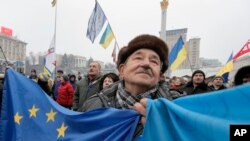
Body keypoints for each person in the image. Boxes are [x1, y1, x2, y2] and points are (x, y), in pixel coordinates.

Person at [81, 34, 184, 138]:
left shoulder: (178, 108)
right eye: (138, 58)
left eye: (154, 61)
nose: (146, 64)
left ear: (160, 75)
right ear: (122, 70)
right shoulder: (93, 104)